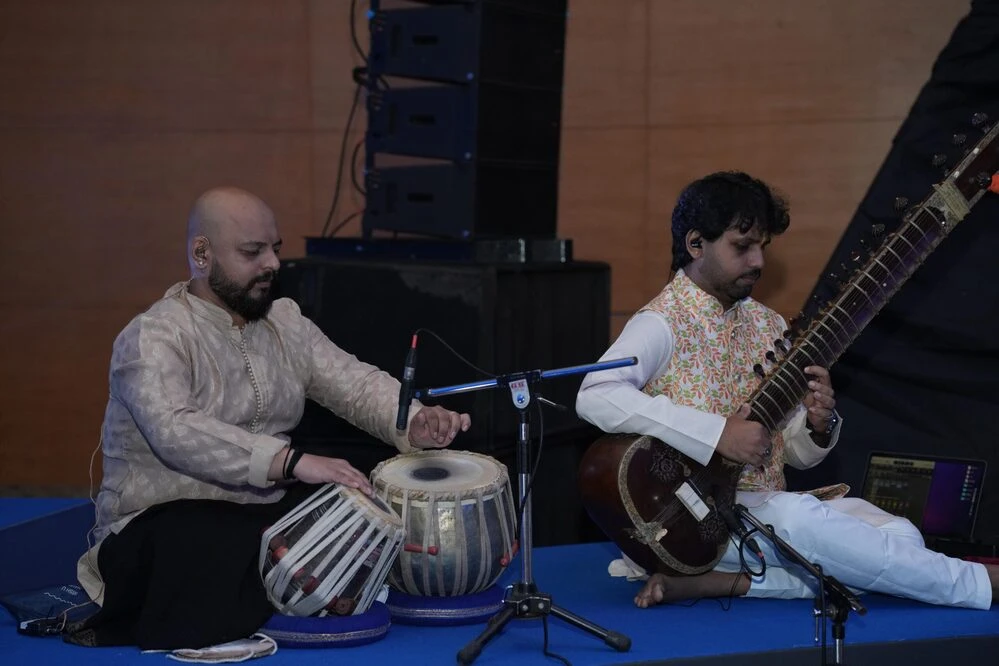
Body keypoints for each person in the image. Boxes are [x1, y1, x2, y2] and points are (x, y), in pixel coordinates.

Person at [69, 186, 471, 649]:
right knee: (204, 539)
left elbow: (354, 383)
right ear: (202, 253)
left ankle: (277, 597)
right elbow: (174, 430)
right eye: (252, 251)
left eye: (275, 250)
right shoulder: (153, 338)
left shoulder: (285, 323)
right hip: (157, 522)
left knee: (354, 500)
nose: (273, 265)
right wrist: (289, 460)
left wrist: (413, 421)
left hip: (258, 512)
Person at [576, 171, 999, 610]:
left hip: (765, 510)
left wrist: (817, 425)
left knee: (899, 536)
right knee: (811, 525)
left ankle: (731, 583)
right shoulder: (660, 323)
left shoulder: (769, 325)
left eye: (763, 247)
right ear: (695, 244)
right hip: (697, 518)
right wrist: (718, 433)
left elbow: (788, 453)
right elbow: (595, 393)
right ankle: (980, 582)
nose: (758, 262)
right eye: (742, 247)